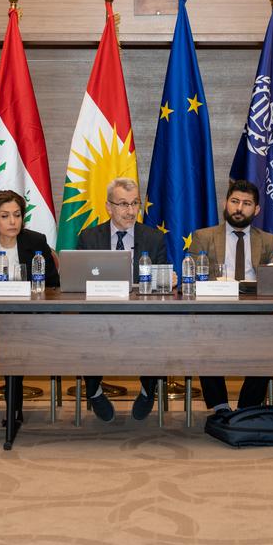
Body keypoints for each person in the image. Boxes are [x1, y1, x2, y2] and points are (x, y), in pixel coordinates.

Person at [74, 177, 169, 423]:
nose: (130, 211)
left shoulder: (153, 238)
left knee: (157, 328)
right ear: (109, 207)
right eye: (123, 204)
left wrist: (167, 278)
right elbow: (79, 282)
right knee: (84, 328)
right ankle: (94, 390)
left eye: (135, 203)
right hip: (99, 313)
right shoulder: (89, 237)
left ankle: (148, 389)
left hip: (142, 313)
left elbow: (161, 283)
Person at [0, 190, 61, 425]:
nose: (13, 221)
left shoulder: (35, 241)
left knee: (12, 338)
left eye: (17, 215)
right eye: (5, 216)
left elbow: (53, 285)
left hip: (27, 319)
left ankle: (14, 408)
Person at [188, 179, 273, 416]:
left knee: (272, 338)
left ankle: (247, 407)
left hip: (256, 311)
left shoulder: (267, 240)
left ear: (256, 209)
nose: (239, 208)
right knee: (202, 336)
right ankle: (220, 406)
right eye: (235, 201)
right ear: (225, 203)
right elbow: (192, 281)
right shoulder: (203, 236)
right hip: (215, 310)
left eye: (247, 203)